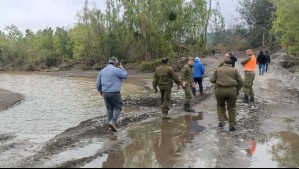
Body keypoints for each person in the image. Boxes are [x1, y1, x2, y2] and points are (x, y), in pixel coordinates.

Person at [210, 54, 244, 131]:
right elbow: (241, 82)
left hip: (219, 90)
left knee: (220, 105)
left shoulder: (218, 69)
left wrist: (219, 80)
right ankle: (232, 126)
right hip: (231, 91)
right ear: (231, 64)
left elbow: (212, 80)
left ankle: (221, 121)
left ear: (224, 63)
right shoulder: (234, 70)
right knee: (232, 108)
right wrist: (237, 89)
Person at [96, 56, 128, 132]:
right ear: (115, 63)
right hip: (114, 93)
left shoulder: (102, 71)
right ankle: (112, 122)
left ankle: (110, 127)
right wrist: (122, 68)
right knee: (119, 107)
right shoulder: (117, 70)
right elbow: (125, 76)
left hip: (105, 93)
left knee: (109, 110)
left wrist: (100, 91)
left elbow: (97, 84)